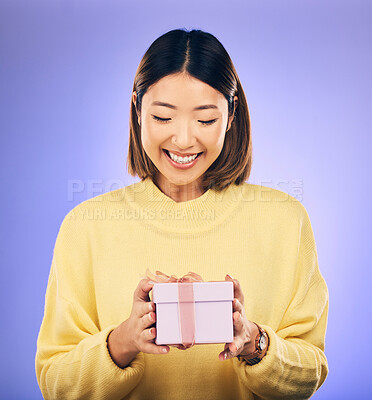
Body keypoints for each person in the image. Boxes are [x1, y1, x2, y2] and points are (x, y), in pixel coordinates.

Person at [35, 28, 329, 400]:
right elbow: (54, 383)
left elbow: (312, 371)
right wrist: (123, 341)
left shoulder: (286, 220)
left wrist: (254, 340)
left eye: (205, 120)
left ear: (232, 113)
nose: (184, 140)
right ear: (137, 110)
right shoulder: (85, 227)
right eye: (163, 117)